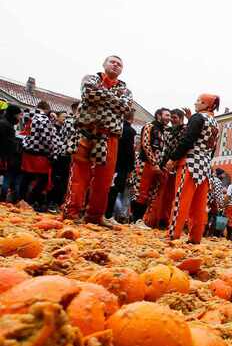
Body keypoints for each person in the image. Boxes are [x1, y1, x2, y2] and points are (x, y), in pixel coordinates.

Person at [63, 55, 133, 224]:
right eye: (112, 62)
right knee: (80, 174)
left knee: (105, 179)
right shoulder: (90, 79)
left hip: (110, 136)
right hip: (86, 131)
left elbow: (126, 107)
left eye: (119, 64)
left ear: (122, 69)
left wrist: (102, 97)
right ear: (104, 64)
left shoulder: (126, 90)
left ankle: (94, 216)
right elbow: (89, 93)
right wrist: (113, 100)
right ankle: (71, 212)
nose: (116, 65)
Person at [163, 94, 220, 245]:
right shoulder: (215, 122)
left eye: (198, 101)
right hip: (205, 165)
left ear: (205, 104)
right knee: (199, 205)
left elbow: (187, 140)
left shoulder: (198, 117)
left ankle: (173, 234)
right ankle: (195, 237)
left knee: (181, 200)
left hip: (190, 162)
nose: (195, 103)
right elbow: (212, 147)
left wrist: (173, 158)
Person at [145, 108, 186, 228]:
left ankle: (165, 220)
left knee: (171, 195)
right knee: (159, 192)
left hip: (175, 164)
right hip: (164, 163)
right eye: (171, 117)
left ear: (180, 119)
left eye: (175, 118)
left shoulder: (184, 129)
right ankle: (154, 219)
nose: (172, 120)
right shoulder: (166, 130)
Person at [129, 108, 170, 225]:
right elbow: (146, 145)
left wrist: (161, 166)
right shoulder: (149, 126)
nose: (169, 118)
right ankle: (136, 219)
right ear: (158, 115)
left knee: (150, 194)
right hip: (146, 164)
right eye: (166, 115)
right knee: (141, 191)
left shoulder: (163, 131)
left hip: (157, 167)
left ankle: (139, 219)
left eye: (169, 116)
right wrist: (154, 163)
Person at [18, 101, 56, 208]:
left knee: (26, 177)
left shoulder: (29, 116)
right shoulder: (43, 119)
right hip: (39, 152)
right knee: (43, 179)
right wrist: (51, 151)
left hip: (27, 150)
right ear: (47, 109)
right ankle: (31, 199)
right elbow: (47, 138)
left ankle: (21, 199)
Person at [48, 108, 75, 212]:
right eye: (63, 117)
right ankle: (53, 203)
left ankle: (57, 203)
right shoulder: (70, 123)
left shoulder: (68, 123)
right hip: (63, 155)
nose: (65, 119)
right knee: (59, 181)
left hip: (64, 154)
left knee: (63, 182)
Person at [0, 105, 23, 201]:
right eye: (18, 115)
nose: (20, 117)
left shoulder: (5, 123)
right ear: (13, 115)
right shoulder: (5, 125)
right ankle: (2, 198)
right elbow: (6, 143)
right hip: (4, 156)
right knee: (7, 177)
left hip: (5, 156)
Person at [206, 169, 229, 237]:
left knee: (208, 217)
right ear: (220, 174)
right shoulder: (218, 181)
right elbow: (218, 194)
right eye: (223, 174)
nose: (224, 176)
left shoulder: (211, 179)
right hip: (214, 201)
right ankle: (212, 234)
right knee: (215, 218)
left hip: (208, 200)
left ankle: (204, 232)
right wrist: (221, 204)